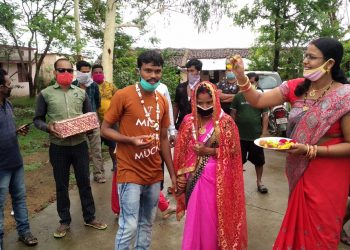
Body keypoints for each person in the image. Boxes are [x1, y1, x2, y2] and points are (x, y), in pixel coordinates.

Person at [230, 37, 350, 249]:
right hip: (299, 169)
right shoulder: (296, 87)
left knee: (320, 234)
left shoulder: (345, 96)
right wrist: (241, 76)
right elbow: (257, 100)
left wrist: (311, 149)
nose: (305, 60)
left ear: (330, 63)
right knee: (299, 228)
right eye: (305, 55)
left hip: (328, 172)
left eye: (311, 57)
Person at [101, 50, 176, 250]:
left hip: (153, 173)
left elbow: (163, 139)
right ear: (139, 70)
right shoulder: (123, 95)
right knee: (129, 225)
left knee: (146, 223)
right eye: (148, 70)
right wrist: (130, 140)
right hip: (129, 171)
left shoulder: (161, 100)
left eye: (157, 71)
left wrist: (172, 175)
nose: (153, 76)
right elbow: (105, 129)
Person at [34, 58, 107, 238]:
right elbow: (37, 119)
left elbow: (90, 116)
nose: (66, 73)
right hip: (59, 147)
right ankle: (64, 221)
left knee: (84, 183)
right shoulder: (45, 94)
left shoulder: (81, 93)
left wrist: (91, 126)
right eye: (61, 70)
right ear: (55, 72)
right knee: (61, 185)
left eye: (69, 70)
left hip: (80, 145)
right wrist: (48, 127)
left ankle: (90, 217)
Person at [174, 81, 247, 249]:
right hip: (192, 179)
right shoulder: (188, 122)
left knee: (211, 219)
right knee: (195, 218)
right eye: (200, 103)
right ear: (194, 102)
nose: (205, 106)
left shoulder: (226, 122)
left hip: (217, 181)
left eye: (208, 103)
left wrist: (209, 151)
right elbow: (181, 152)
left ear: (216, 101)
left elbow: (234, 152)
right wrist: (179, 176)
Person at [0, 69, 38, 248]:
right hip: (1, 166)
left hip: (16, 161)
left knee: (19, 198)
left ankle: (24, 232)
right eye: (8, 85)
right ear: (0, 87)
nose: (11, 87)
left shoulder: (8, 105)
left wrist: (16, 131)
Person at [231, 72, 269, 194]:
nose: (250, 85)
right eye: (248, 82)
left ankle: (259, 182)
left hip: (256, 137)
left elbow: (265, 116)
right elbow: (232, 116)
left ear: (257, 83)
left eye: (252, 82)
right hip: (240, 137)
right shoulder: (238, 97)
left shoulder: (261, 97)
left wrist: (263, 133)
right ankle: (236, 184)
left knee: (259, 161)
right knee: (237, 162)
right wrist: (231, 133)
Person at [73, 60, 106, 183]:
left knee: (96, 149)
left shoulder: (93, 86)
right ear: (78, 72)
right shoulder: (73, 86)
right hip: (79, 122)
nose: (86, 74)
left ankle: (99, 174)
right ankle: (84, 176)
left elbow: (97, 102)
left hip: (93, 119)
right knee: (82, 151)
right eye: (83, 72)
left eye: (88, 72)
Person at [92, 64, 118, 172]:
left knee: (113, 145)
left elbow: (118, 100)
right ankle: (99, 170)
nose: (98, 74)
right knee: (97, 148)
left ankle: (116, 165)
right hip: (95, 122)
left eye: (100, 72)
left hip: (111, 121)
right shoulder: (90, 87)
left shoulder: (111, 86)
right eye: (95, 72)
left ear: (103, 73)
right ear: (92, 74)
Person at [174, 58, 203, 130]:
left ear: (198, 71)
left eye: (192, 71)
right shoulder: (181, 88)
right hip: (182, 125)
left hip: (200, 127)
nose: (189, 73)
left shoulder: (204, 87)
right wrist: (173, 124)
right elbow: (176, 106)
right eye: (188, 71)